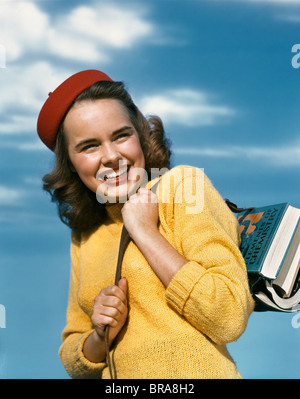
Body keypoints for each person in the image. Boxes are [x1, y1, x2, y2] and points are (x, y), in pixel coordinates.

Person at [37, 69, 254, 379]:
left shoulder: (183, 186)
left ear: (139, 134)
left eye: (121, 135)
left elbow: (229, 316)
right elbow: (73, 355)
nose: (111, 156)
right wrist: (99, 338)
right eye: (89, 146)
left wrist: (145, 232)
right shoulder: (85, 233)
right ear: (70, 163)